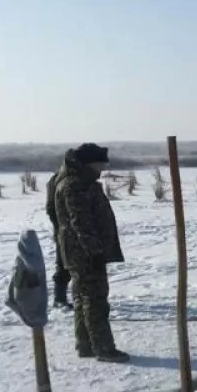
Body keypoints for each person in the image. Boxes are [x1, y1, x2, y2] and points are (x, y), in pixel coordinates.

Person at [53, 143, 128, 362]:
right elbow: (81, 223)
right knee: (95, 301)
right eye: (100, 164)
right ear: (88, 163)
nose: (103, 168)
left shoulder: (82, 182)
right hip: (84, 254)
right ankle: (104, 348)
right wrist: (94, 252)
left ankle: (85, 344)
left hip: (82, 252)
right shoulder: (75, 186)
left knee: (83, 298)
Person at [45, 157, 72, 310]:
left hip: (63, 228)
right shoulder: (58, 181)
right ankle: (59, 297)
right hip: (63, 229)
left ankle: (64, 297)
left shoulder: (59, 180)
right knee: (63, 263)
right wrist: (61, 224)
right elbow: (51, 208)